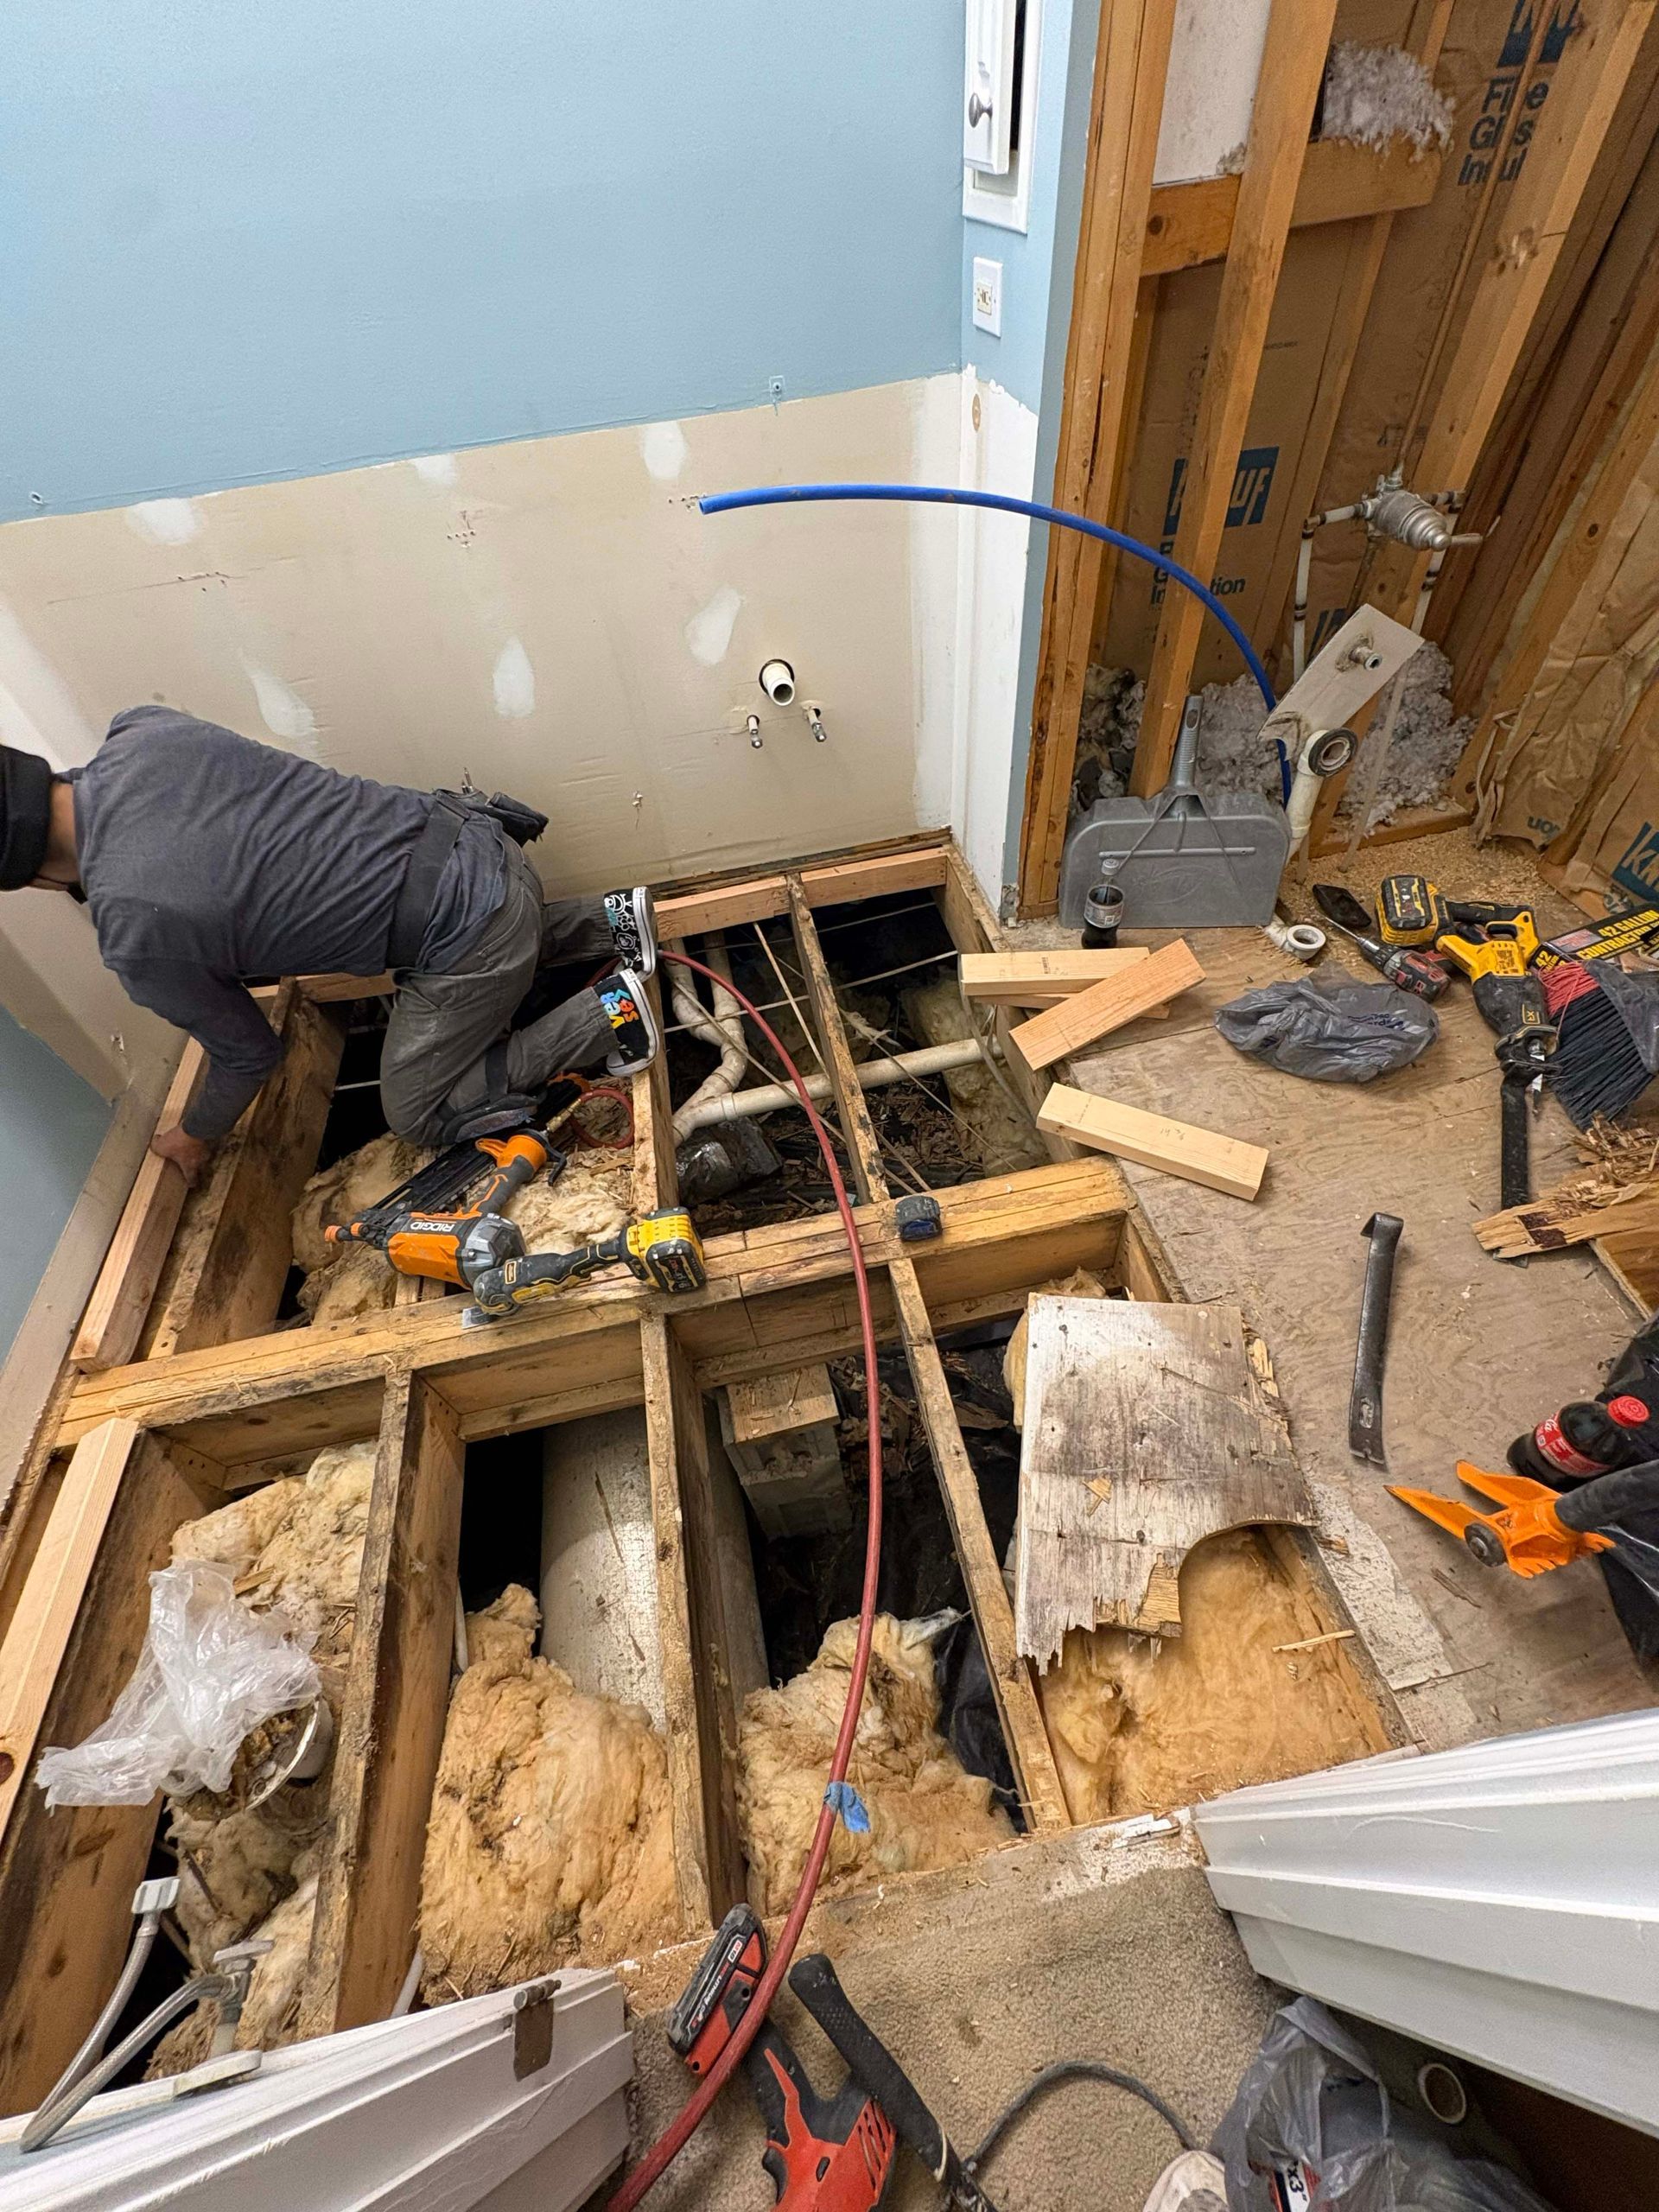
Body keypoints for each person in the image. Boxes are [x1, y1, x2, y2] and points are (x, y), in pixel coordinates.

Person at [0, 706, 660, 1185]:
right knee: (476, 934)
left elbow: (249, 1053)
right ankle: (614, 922)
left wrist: (192, 1135)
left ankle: (609, 1014)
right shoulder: (143, 731)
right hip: (481, 841)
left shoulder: (134, 934)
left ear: (33, 880)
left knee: (416, 1112)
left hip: (472, 933)